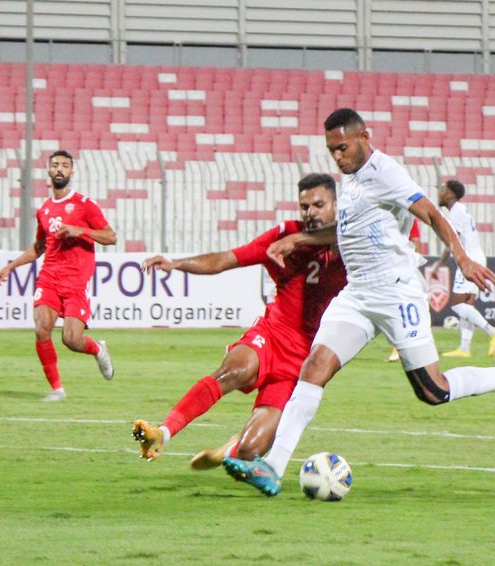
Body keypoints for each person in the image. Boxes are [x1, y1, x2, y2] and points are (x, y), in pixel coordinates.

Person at [222, 108, 495, 496]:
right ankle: (271, 467)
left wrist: (462, 258)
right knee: (315, 366)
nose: (337, 156)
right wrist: (301, 239)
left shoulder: (386, 172)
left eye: (343, 148)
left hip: (397, 293)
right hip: (358, 295)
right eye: (331, 150)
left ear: (364, 137)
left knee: (432, 390)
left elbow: (431, 213)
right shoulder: (351, 179)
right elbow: (348, 231)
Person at [131, 173, 347, 469]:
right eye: (305, 207)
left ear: (336, 204)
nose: (310, 213)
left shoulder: (351, 242)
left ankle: (233, 448)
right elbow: (226, 259)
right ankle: (162, 433)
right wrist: (176, 263)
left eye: (318, 205)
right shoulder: (283, 236)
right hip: (271, 335)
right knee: (235, 370)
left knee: (250, 452)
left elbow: (357, 232)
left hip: (304, 359)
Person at [0, 150, 116, 401]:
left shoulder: (85, 205)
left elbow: (110, 236)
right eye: (55, 165)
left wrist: (78, 230)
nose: (59, 169)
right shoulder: (45, 210)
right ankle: (57, 389)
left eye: (65, 166)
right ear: (48, 171)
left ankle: (97, 349)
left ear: (71, 172)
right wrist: (10, 266)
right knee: (41, 328)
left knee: (71, 339)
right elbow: (39, 247)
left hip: (76, 281)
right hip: (49, 277)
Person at [436, 179, 495, 358]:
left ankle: (493, 332)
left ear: (450, 194)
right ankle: (464, 348)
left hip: (469, 261)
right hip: (477, 257)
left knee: (458, 305)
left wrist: (439, 264)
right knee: (467, 305)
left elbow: (452, 242)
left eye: (443, 189)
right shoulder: (460, 210)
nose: (440, 192)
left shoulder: (454, 214)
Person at [387, 219, 423, 363]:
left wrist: (412, 264)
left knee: (402, 307)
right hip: (389, 267)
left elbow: (415, 242)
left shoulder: (407, 214)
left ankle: (402, 346)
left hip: (402, 269)